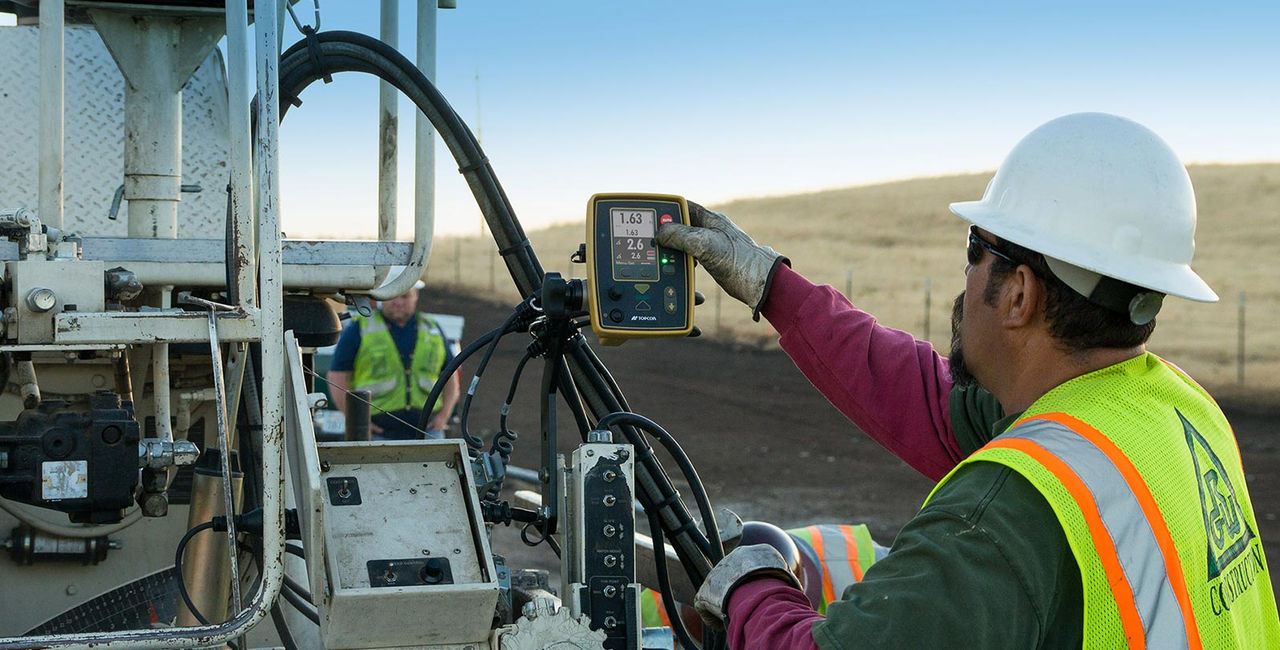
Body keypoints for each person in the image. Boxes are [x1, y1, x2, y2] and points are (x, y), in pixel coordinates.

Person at [657, 113, 1280, 647]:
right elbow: (927, 399)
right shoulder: (1170, 407)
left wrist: (750, 586)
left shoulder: (1003, 514)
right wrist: (775, 289)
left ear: (1018, 293)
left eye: (974, 251)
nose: (965, 278)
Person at [326, 282, 461, 440]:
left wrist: (444, 416)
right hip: (377, 433)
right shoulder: (359, 328)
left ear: (415, 296)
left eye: (405, 296)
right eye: (392, 296)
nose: (398, 302)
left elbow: (450, 376)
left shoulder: (432, 328)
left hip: (428, 430)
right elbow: (337, 378)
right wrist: (358, 421)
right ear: (381, 297)